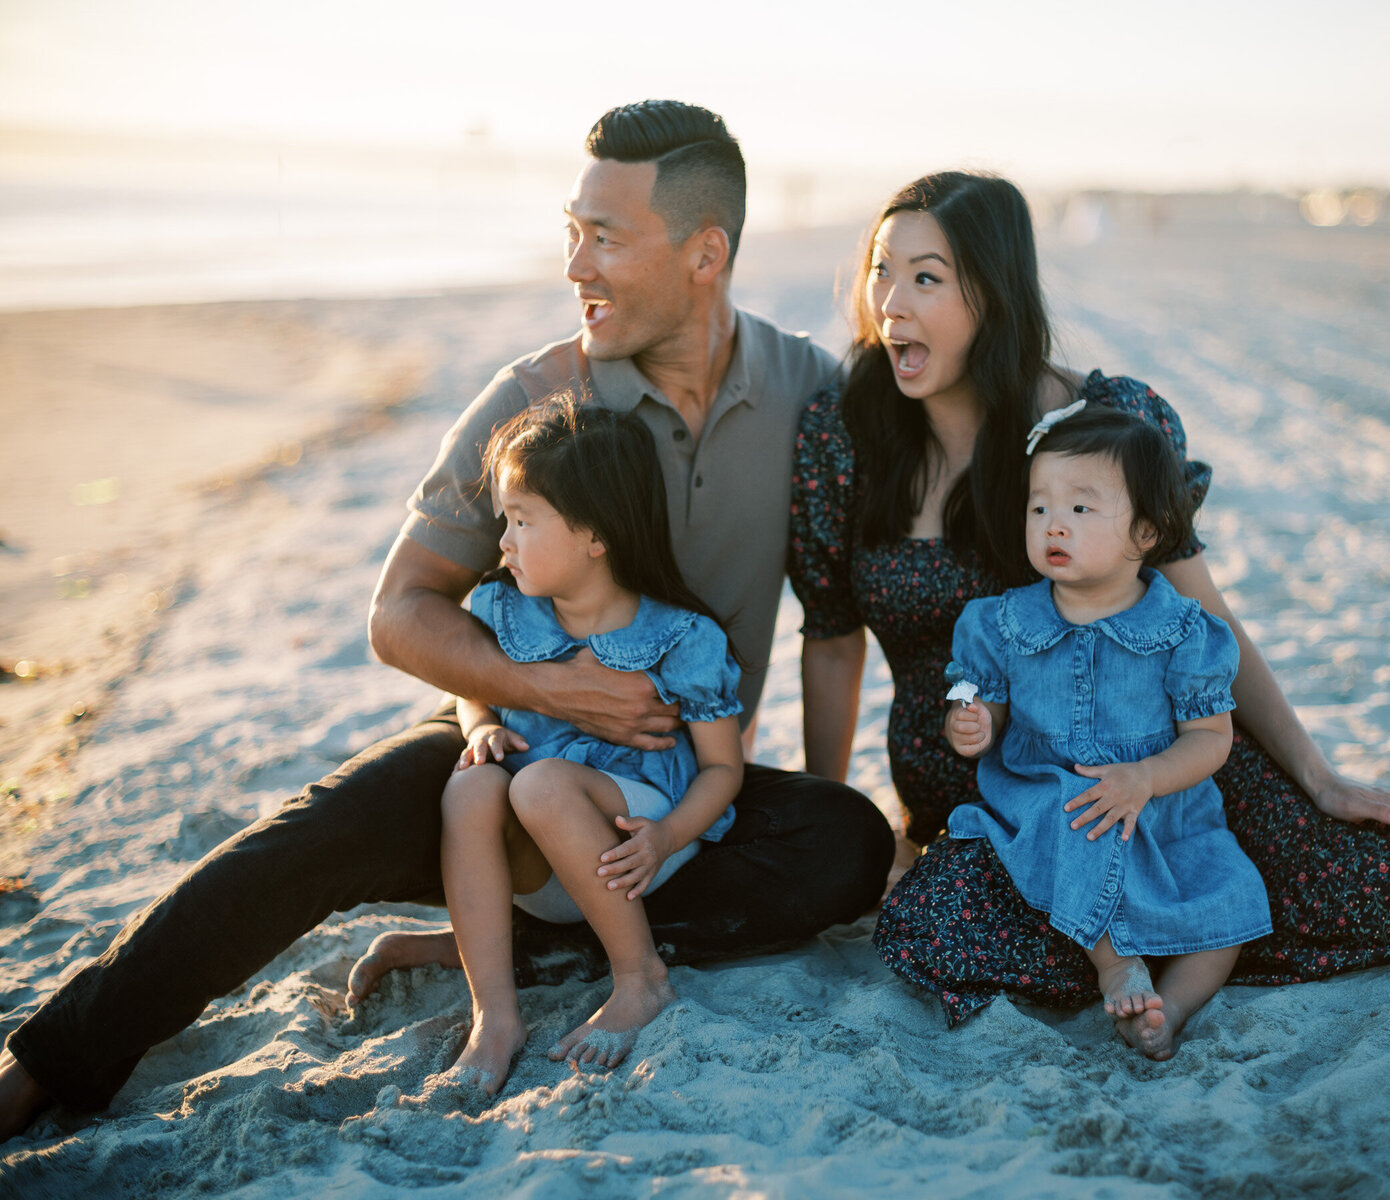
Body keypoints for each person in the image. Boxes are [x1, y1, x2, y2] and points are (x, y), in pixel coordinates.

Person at [0, 100, 894, 1139]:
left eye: (604, 238)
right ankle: (51, 1063)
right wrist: (540, 688)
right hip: (508, 754)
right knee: (304, 840)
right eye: (572, 230)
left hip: (667, 787)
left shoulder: (806, 390)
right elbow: (399, 611)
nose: (575, 266)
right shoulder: (533, 400)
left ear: (707, 253)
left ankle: (523, 941)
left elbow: (866, 576)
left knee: (845, 844)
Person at [788, 171, 1390, 1026]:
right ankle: (1162, 946)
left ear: (993, 293)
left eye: (926, 276)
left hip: (1155, 754)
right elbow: (830, 638)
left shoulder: (1103, 424)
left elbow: (1202, 616)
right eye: (882, 270)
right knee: (944, 935)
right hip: (995, 782)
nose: (891, 301)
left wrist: (1317, 775)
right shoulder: (844, 434)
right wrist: (845, 835)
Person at [894, 403, 1271, 1059]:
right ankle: (1116, 961)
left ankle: (1169, 1010)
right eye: (1039, 508)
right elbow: (985, 694)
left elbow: (1211, 738)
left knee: (1230, 906)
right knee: (1077, 815)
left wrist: (1147, 778)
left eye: (1080, 508)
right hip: (1047, 796)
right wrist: (976, 720)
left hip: (1162, 812)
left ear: (1147, 532)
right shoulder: (1005, 621)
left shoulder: (1183, 630)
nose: (1053, 525)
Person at [440, 399, 745, 1092]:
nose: (504, 542)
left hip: (638, 836)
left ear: (595, 536)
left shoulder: (679, 637)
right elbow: (469, 685)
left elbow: (724, 769)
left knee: (538, 784)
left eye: (522, 520)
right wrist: (479, 723)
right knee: (473, 784)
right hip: (546, 858)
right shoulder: (503, 608)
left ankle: (641, 979)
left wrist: (666, 836)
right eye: (504, 520)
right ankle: (496, 1017)